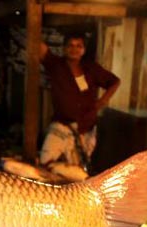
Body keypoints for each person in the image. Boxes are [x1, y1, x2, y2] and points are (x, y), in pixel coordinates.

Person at [39, 32, 120, 170]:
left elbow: (114, 81)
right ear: (64, 48)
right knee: (45, 161)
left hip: (85, 126)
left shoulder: (91, 69)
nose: (74, 49)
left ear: (83, 50)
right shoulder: (56, 65)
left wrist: (102, 101)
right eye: (70, 45)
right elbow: (40, 49)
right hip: (62, 123)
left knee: (77, 168)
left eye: (78, 46)